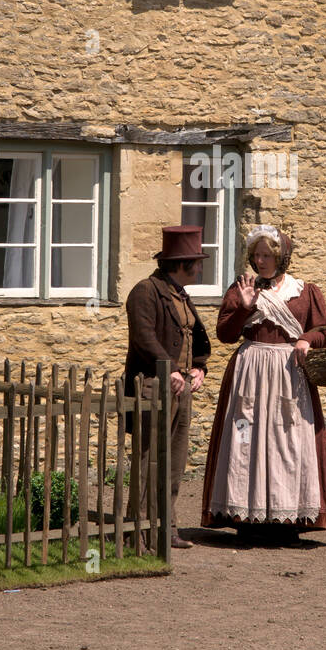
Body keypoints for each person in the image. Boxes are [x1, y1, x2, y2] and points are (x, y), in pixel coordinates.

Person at [201, 225, 326, 541]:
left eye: (267, 255)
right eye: (256, 255)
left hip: (289, 372)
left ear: (281, 256)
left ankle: (287, 519)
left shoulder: (305, 291)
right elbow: (224, 334)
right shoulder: (241, 289)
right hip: (250, 371)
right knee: (246, 439)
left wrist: (306, 340)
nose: (261, 261)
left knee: (289, 440)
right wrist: (245, 308)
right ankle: (246, 518)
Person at [124, 226, 210, 549]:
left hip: (180, 387)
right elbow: (144, 337)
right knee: (148, 460)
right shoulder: (146, 291)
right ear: (182, 263)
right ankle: (138, 532)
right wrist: (172, 368)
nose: (200, 268)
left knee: (175, 461)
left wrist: (199, 367)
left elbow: (195, 339)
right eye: (196, 262)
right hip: (152, 385)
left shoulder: (181, 295)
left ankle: (166, 527)